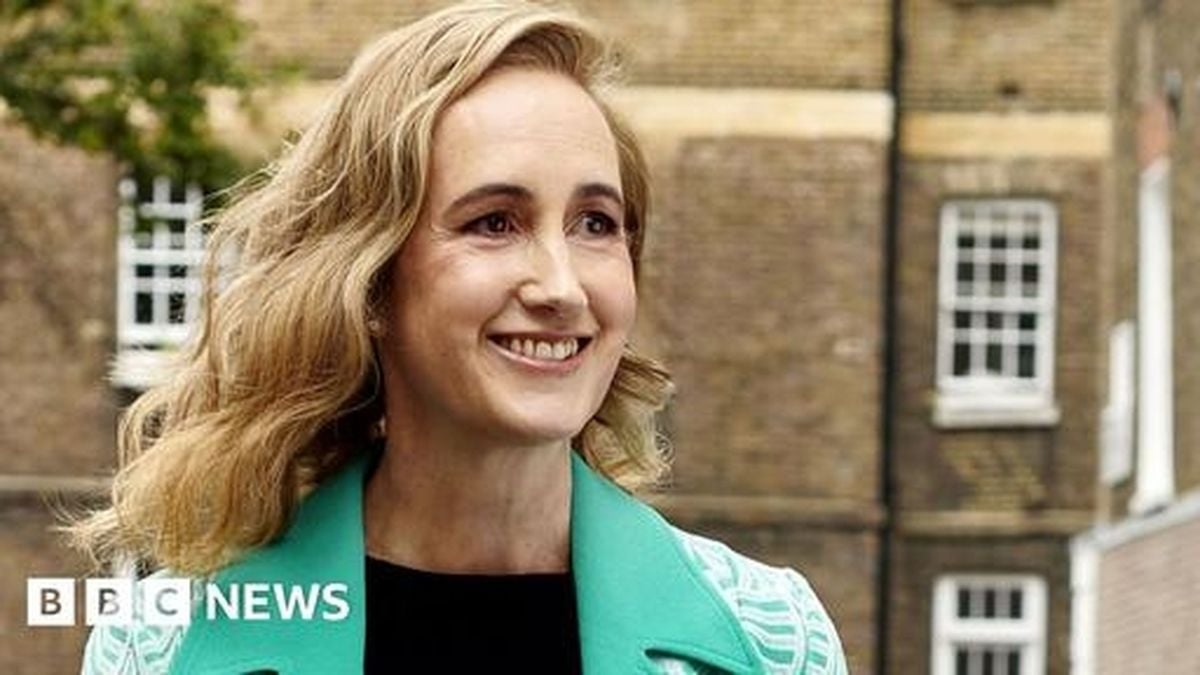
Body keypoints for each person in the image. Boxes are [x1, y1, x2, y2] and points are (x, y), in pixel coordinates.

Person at [75, 1, 848, 673]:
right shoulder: (162, 644)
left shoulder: (772, 639)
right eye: (494, 222)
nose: (562, 286)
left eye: (596, 223)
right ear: (370, 282)